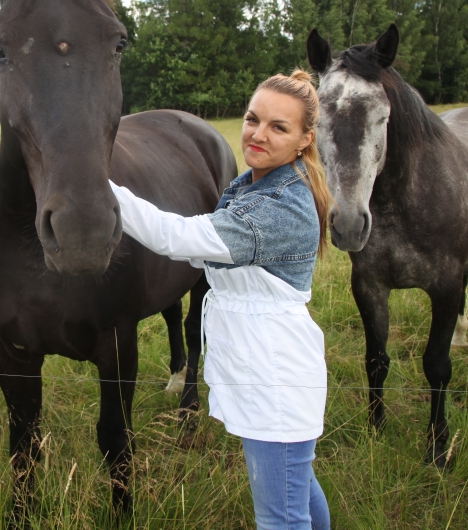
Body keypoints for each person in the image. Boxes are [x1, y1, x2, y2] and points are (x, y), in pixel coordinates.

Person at [110, 70, 332, 530]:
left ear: (305, 139)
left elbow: (177, 237)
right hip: (266, 371)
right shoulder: (260, 183)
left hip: (276, 380)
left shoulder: (279, 207)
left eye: (279, 127)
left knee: (280, 518)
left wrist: (95, 180)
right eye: (253, 119)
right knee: (299, 494)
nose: (258, 134)